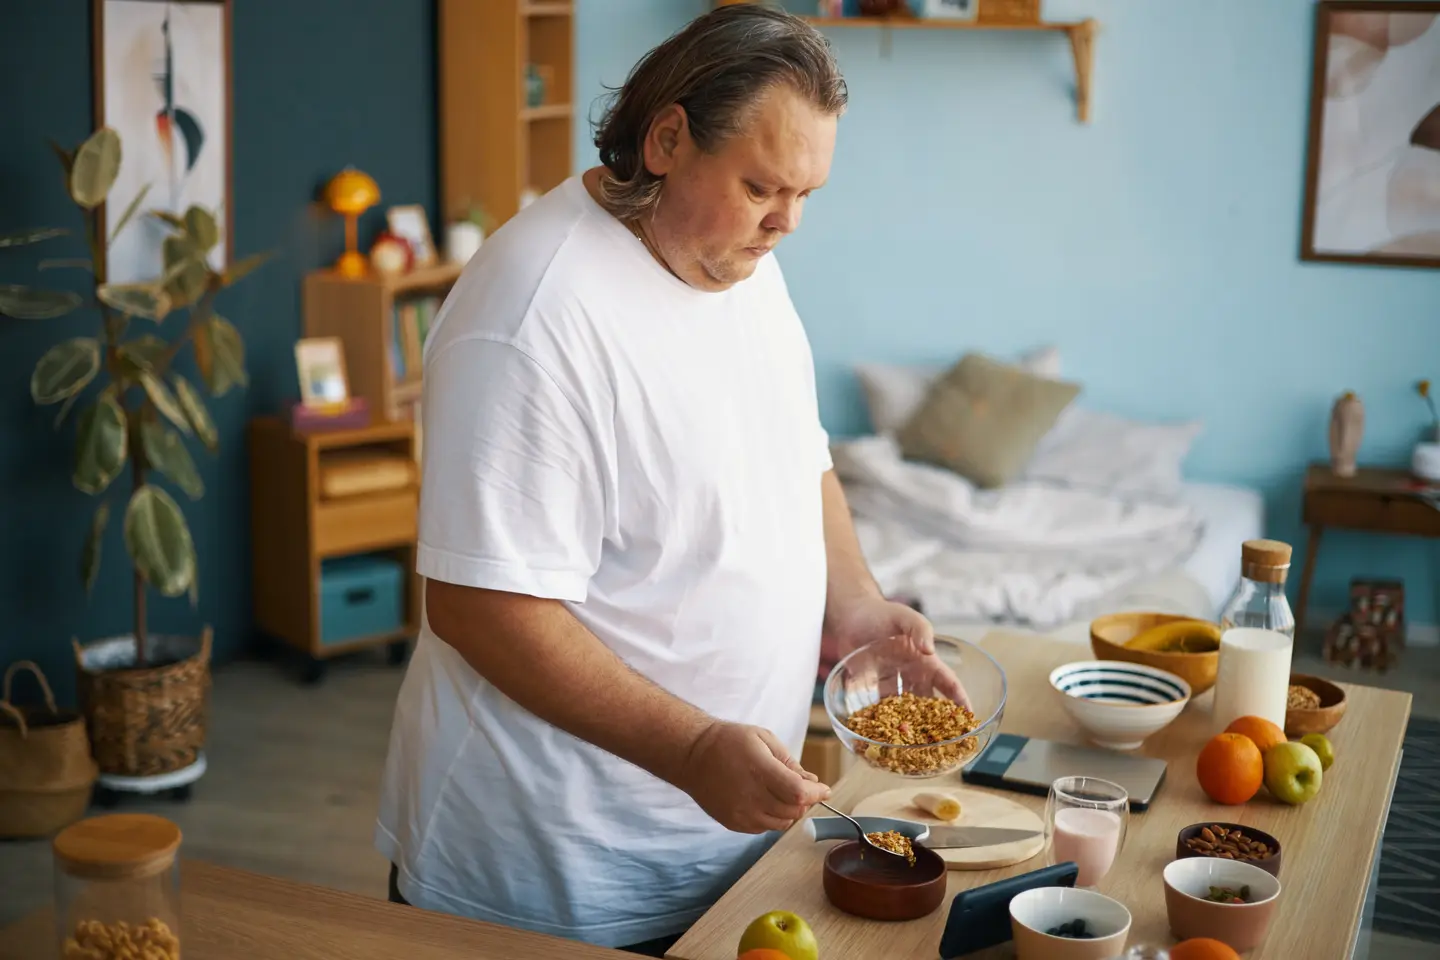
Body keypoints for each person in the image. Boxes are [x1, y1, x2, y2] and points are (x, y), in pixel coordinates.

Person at [374, 5, 962, 955]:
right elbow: (480, 607)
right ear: (666, 139)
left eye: (808, 192)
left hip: (723, 858)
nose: (787, 222)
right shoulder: (533, 316)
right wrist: (691, 749)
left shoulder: (735, 254)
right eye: (763, 186)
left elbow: (796, 451)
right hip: (546, 882)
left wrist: (853, 603)